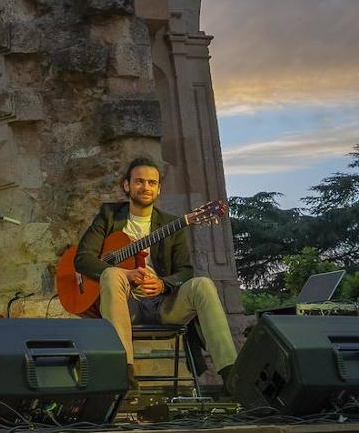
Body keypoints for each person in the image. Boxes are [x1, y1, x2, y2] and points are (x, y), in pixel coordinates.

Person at [74, 157, 237, 396]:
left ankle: (233, 375)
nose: (146, 187)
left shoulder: (172, 224)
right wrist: (123, 272)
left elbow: (185, 270)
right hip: (126, 303)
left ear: (159, 188)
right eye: (139, 181)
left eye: (152, 182)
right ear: (126, 185)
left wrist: (163, 284)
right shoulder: (108, 216)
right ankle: (124, 375)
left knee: (202, 284)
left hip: (163, 305)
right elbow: (81, 259)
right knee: (111, 274)